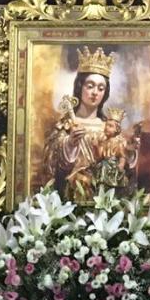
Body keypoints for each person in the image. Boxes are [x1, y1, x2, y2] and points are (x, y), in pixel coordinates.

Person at [41, 49, 115, 201]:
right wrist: (70, 145)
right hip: (72, 197)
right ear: (80, 87)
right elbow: (51, 166)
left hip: (103, 198)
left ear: (105, 93)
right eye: (90, 86)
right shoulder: (65, 125)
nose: (95, 92)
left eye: (101, 88)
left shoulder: (109, 128)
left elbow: (121, 168)